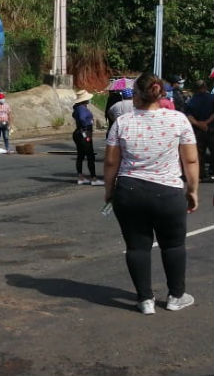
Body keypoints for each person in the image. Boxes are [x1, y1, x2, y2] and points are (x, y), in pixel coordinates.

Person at [104, 72, 198, 314]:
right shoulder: (178, 120)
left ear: (137, 95)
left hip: (130, 191)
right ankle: (176, 296)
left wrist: (108, 192)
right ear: (160, 94)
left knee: (136, 247)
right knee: (174, 246)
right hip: (168, 192)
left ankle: (145, 299)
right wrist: (193, 190)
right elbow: (190, 160)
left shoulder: (122, 123)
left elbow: (111, 163)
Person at [72, 89, 103, 185]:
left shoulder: (77, 108)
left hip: (78, 132)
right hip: (85, 132)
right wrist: (87, 124)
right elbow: (82, 118)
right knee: (90, 155)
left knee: (80, 155)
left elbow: (75, 116)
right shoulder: (82, 108)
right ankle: (93, 178)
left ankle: (80, 177)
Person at [184, 80, 214, 181]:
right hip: (211, 128)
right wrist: (206, 123)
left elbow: (188, 115)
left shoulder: (191, 100)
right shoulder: (212, 98)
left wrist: (198, 124)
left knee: (199, 153)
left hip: (197, 130)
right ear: (205, 87)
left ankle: (200, 174)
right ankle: (212, 173)